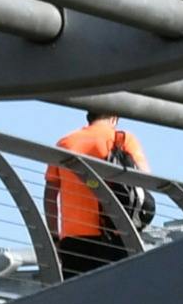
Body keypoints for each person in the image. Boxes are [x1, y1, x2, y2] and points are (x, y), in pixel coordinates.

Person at [44, 104, 150, 267]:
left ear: (89, 117)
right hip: (116, 233)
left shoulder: (65, 143)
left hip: (74, 239)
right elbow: (144, 179)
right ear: (114, 118)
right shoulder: (122, 139)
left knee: (80, 291)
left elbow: (50, 195)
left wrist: (54, 237)